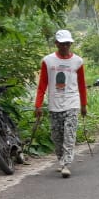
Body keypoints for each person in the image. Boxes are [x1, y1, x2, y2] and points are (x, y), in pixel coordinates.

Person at [35, 29, 88, 179]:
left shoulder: (77, 61)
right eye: (62, 44)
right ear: (56, 43)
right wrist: (38, 105)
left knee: (69, 134)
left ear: (70, 43)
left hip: (72, 102)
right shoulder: (48, 61)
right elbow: (42, 84)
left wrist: (83, 104)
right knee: (57, 136)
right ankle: (61, 159)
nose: (65, 46)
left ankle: (66, 164)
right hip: (54, 103)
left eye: (68, 44)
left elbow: (82, 84)